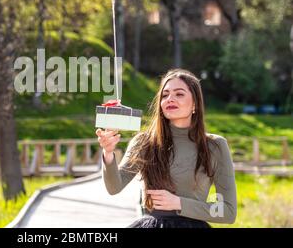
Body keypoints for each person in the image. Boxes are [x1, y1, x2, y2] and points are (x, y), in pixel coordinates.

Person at [96, 68, 237, 228]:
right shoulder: (144, 141)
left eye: (179, 94)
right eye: (165, 95)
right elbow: (114, 187)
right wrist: (108, 153)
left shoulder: (215, 145)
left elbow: (228, 212)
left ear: (195, 103)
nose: (170, 99)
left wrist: (179, 204)